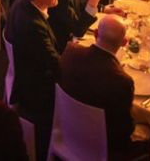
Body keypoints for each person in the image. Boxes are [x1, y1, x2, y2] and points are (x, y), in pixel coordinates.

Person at [58, 15, 143, 160]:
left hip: (66, 128)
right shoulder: (122, 81)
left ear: (96, 34)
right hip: (101, 149)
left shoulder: (70, 51)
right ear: (123, 43)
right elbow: (125, 130)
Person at [4, 0, 61, 160]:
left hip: (22, 69)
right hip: (35, 89)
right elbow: (56, 66)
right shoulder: (33, 26)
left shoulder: (22, 2)